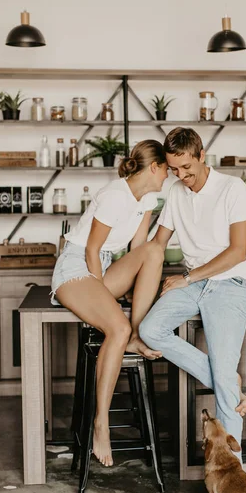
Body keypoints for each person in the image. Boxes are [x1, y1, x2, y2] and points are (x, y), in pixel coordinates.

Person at [50, 139, 168, 467]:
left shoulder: (149, 198)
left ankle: (136, 334)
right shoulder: (115, 195)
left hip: (100, 267)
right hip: (77, 266)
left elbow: (139, 247)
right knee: (115, 326)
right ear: (154, 166)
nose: (168, 177)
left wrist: (130, 286)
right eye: (167, 170)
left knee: (154, 252)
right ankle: (100, 423)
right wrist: (106, 298)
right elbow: (90, 249)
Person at [139, 128, 246, 460]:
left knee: (221, 376)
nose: (181, 176)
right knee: (150, 330)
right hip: (194, 284)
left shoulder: (234, 190)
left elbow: (238, 251)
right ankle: (228, 382)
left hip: (231, 283)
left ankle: (235, 477)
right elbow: (157, 244)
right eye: (174, 169)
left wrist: (188, 278)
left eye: (186, 168)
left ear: (202, 156)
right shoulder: (176, 192)